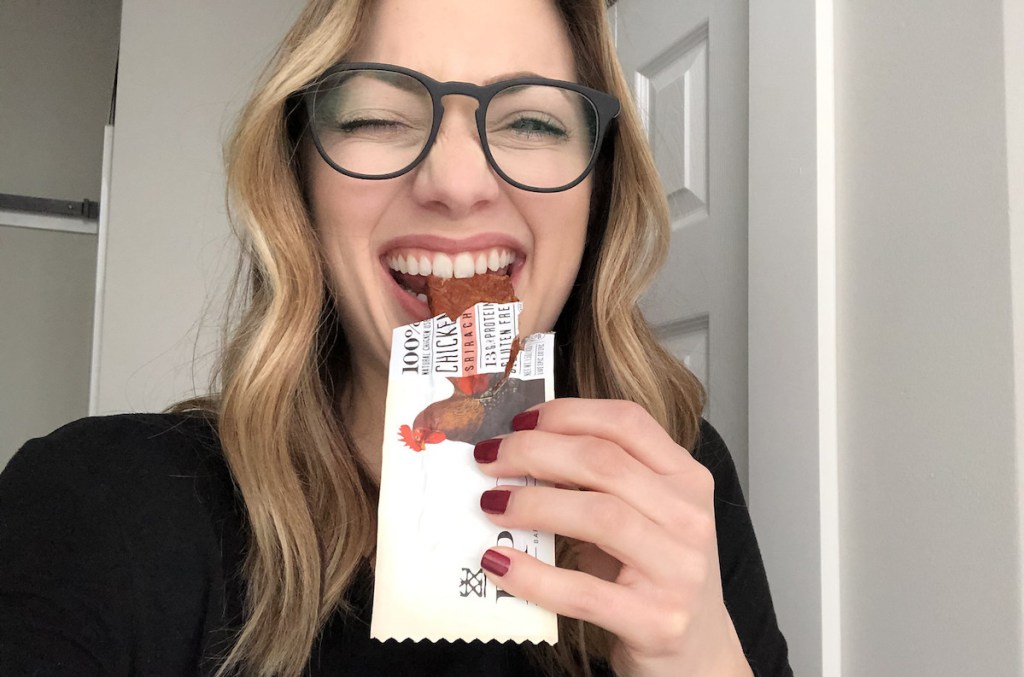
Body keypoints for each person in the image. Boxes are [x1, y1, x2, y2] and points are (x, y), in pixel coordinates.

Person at [0, 0, 792, 675]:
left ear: (598, 188)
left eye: (529, 120)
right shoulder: (95, 509)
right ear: (300, 176)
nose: (454, 183)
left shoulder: (675, 483)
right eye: (378, 115)